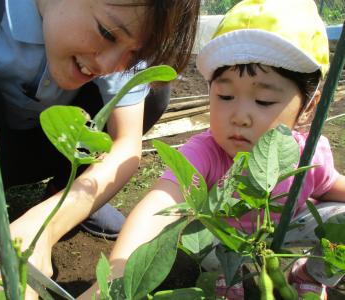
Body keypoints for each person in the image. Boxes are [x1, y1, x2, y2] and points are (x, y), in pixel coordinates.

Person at [79, 0, 345, 299]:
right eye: (225, 95)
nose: (239, 117)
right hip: (224, 246)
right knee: (207, 245)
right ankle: (228, 278)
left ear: (309, 107)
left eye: (264, 101)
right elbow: (158, 206)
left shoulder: (308, 154)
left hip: (285, 238)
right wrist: (115, 275)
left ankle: (309, 274)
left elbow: (333, 186)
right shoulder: (206, 152)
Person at [0, 0, 201, 298]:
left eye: (135, 52)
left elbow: (126, 144)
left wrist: (45, 226)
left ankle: (65, 195)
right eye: (107, 32)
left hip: (51, 147)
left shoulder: (123, 37)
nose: (109, 65)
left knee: (150, 95)